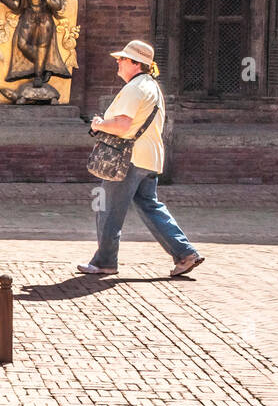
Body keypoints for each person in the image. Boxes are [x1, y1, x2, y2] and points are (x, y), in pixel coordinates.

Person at [78, 40, 204, 278]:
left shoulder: (134, 88)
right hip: (150, 158)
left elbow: (123, 125)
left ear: (136, 64)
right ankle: (185, 253)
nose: (118, 61)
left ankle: (105, 261)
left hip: (128, 159)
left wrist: (98, 125)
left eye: (123, 58)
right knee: (150, 206)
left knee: (108, 207)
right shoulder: (152, 87)